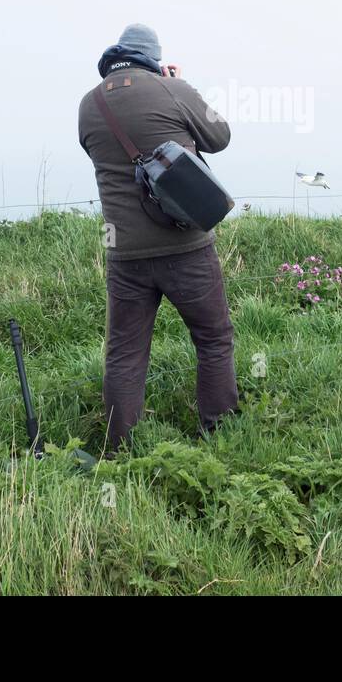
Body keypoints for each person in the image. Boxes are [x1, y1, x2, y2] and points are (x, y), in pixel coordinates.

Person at [77, 23, 238, 448]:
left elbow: (96, 151)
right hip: (185, 247)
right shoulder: (172, 89)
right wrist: (181, 85)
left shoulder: (89, 104)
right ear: (153, 58)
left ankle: (121, 447)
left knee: (124, 355)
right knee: (213, 338)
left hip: (124, 252)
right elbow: (219, 136)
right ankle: (220, 433)